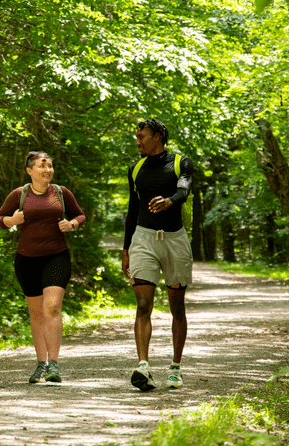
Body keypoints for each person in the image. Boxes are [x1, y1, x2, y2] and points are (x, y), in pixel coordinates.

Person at [0, 151, 86, 384]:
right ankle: (40, 364)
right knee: (36, 314)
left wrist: (72, 224)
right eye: (41, 166)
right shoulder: (20, 194)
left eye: (50, 166)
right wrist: (12, 221)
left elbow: (79, 215)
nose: (47, 170)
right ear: (29, 171)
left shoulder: (61, 192)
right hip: (27, 260)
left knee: (52, 307)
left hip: (57, 257)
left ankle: (54, 364)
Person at [122, 119, 194, 391]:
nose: (137, 142)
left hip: (174, 240)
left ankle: (175, 369)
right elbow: (132, 210)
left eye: (141, 137)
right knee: (143, 305)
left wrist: (169, 201)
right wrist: (126, 249)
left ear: (157, 137)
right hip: (143, 239)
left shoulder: (180, 163)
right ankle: (143, 366)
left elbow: (184, 190)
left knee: (177, 307)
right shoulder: (135, 168)